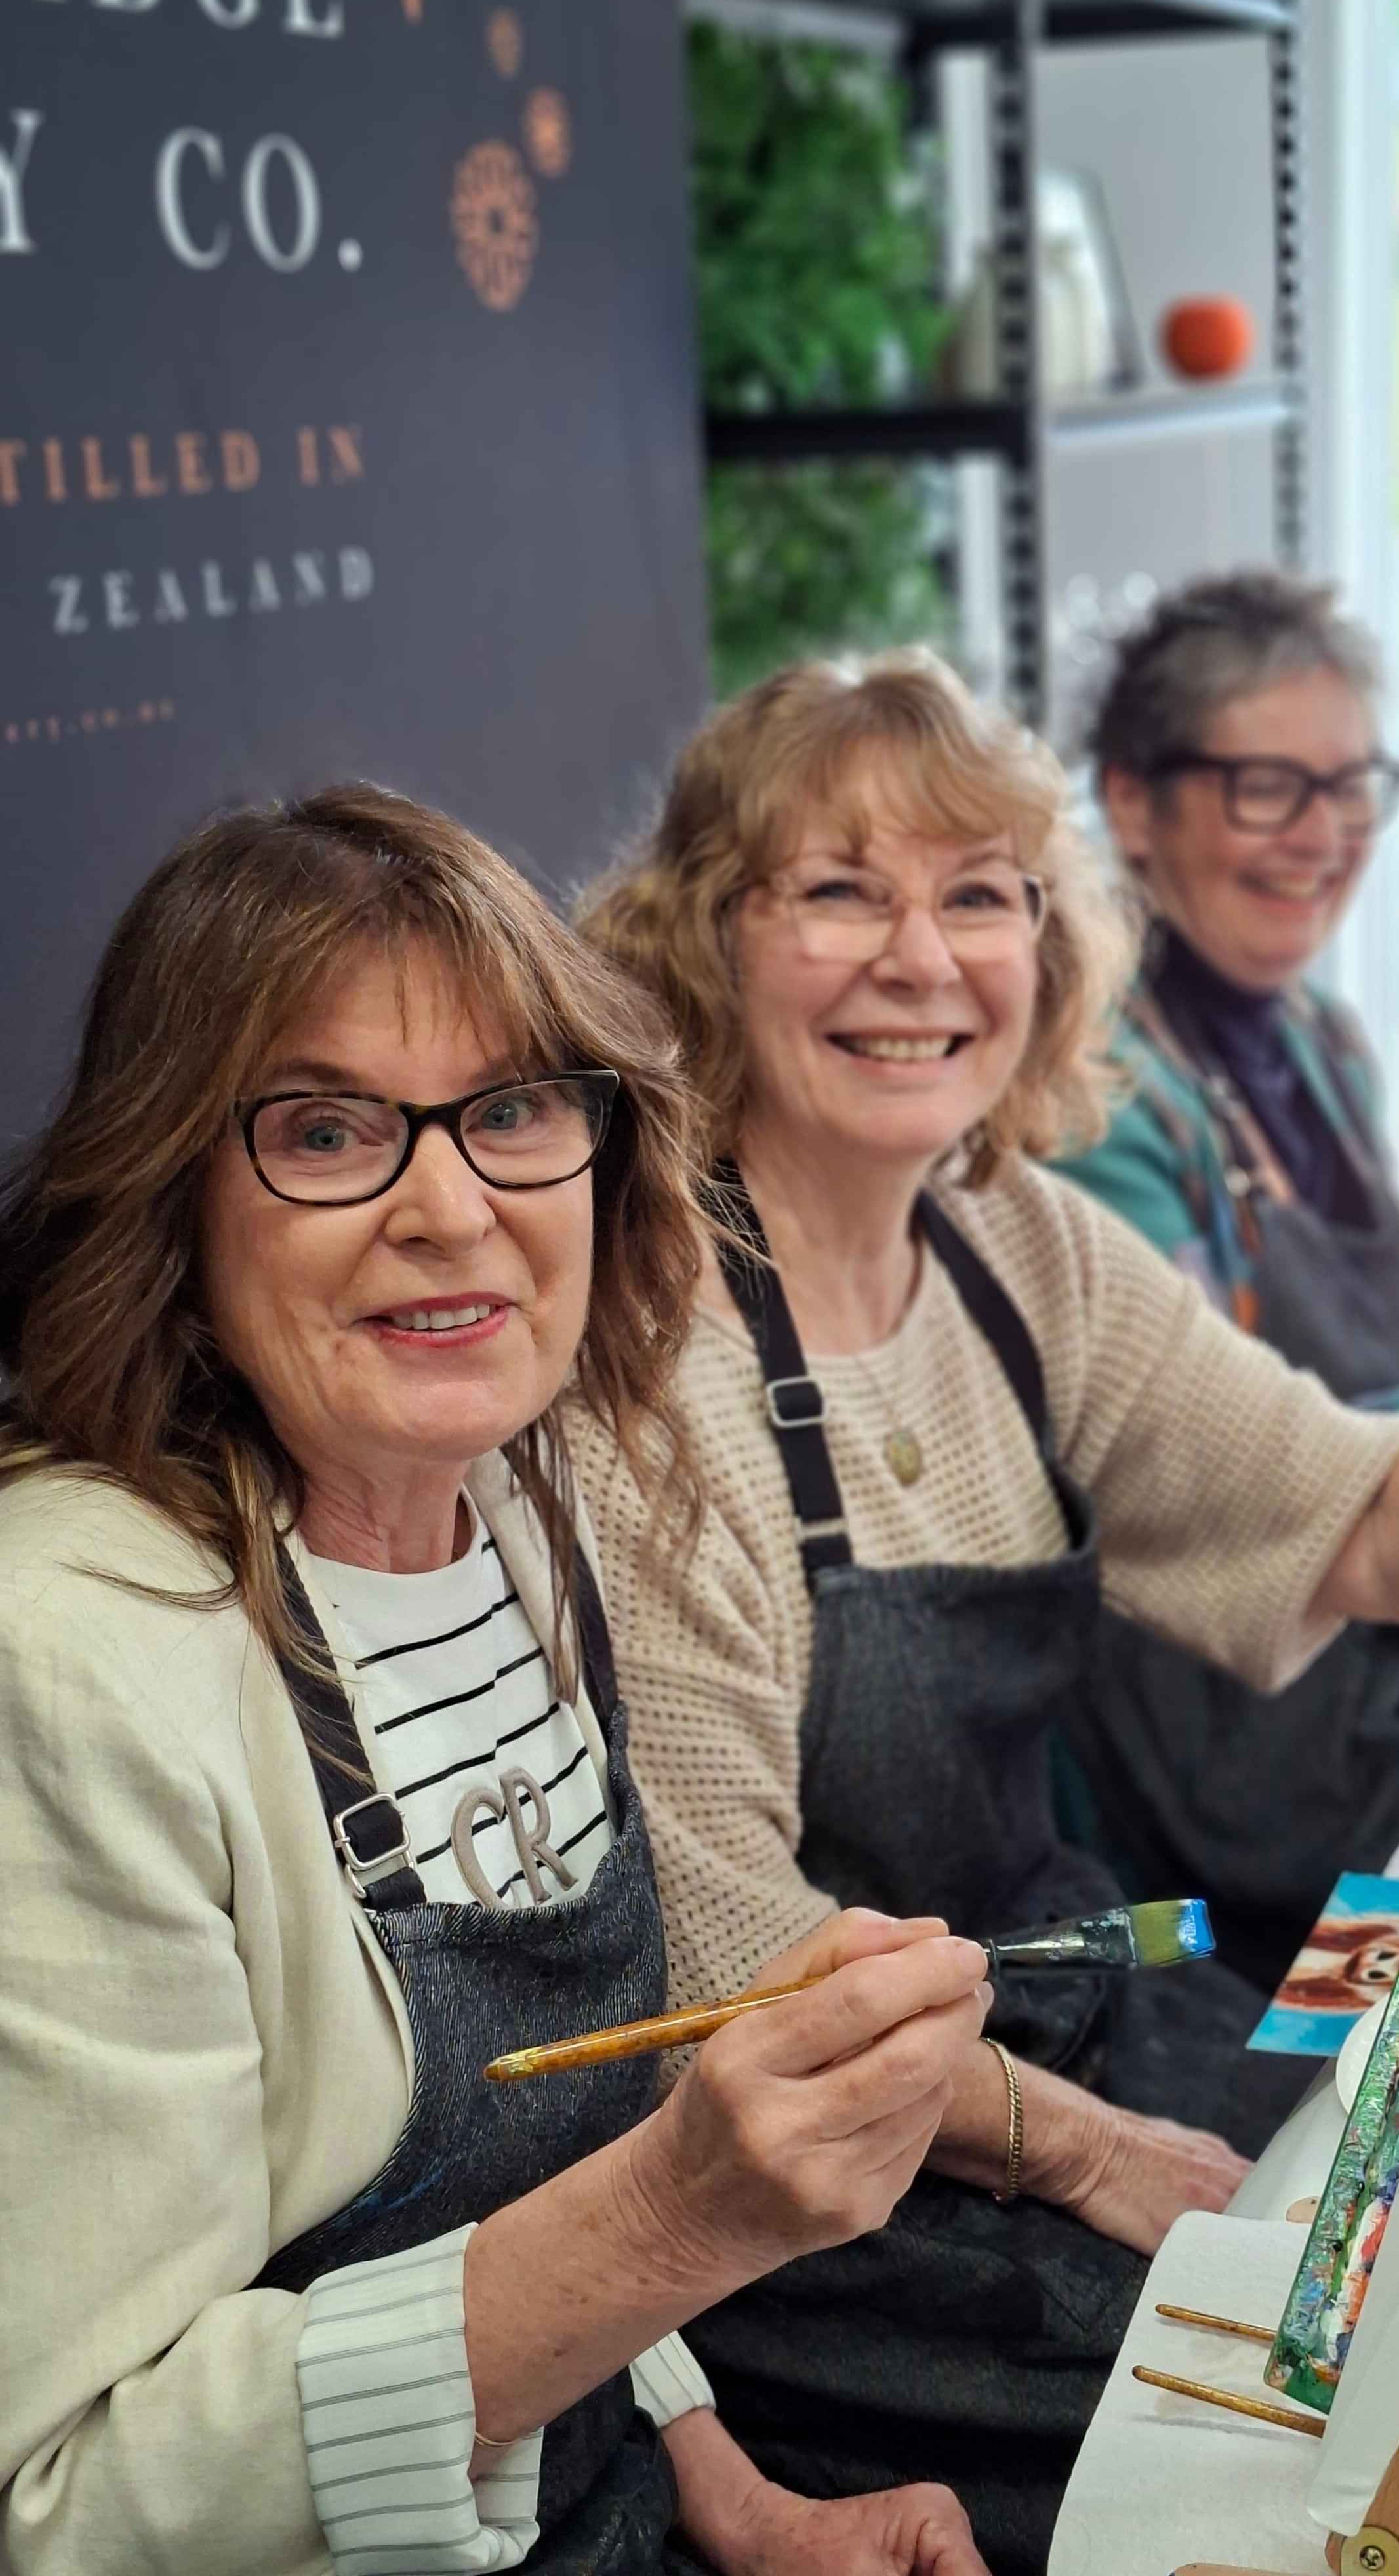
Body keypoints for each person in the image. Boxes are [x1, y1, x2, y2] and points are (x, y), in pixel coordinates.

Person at [569, 650, 1399, 2573]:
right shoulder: (652, 1344)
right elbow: (731, 1961)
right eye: (838, 892)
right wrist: (1095, 2154)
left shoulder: (1017, 1247)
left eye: (978, 896)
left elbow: (1355, 1519)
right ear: (703, 940)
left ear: (1046, 945)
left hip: (1065, 2013)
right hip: (823, 2182)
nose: (920, 959)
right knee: (1357, 2392)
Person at [0, 788, 999, 2576]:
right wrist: (679, 2210)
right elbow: (63, 2502)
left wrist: (729, 2489)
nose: (454, 1210)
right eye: (325, 1132)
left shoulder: (514, 1518)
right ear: (171, 1194)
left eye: (517, 1111)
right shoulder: (65, 1662)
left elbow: (516, 2183)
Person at [1051, 568, 1399, 1989]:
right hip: (1235, 1719)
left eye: (1353, 788)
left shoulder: (1315, 1040)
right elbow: (1181, 1462)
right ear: (1133, 803)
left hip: (1393, 1631)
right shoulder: (1093, 1091)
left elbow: (1393, 1425)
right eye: (1265, 788)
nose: (1323, 836)